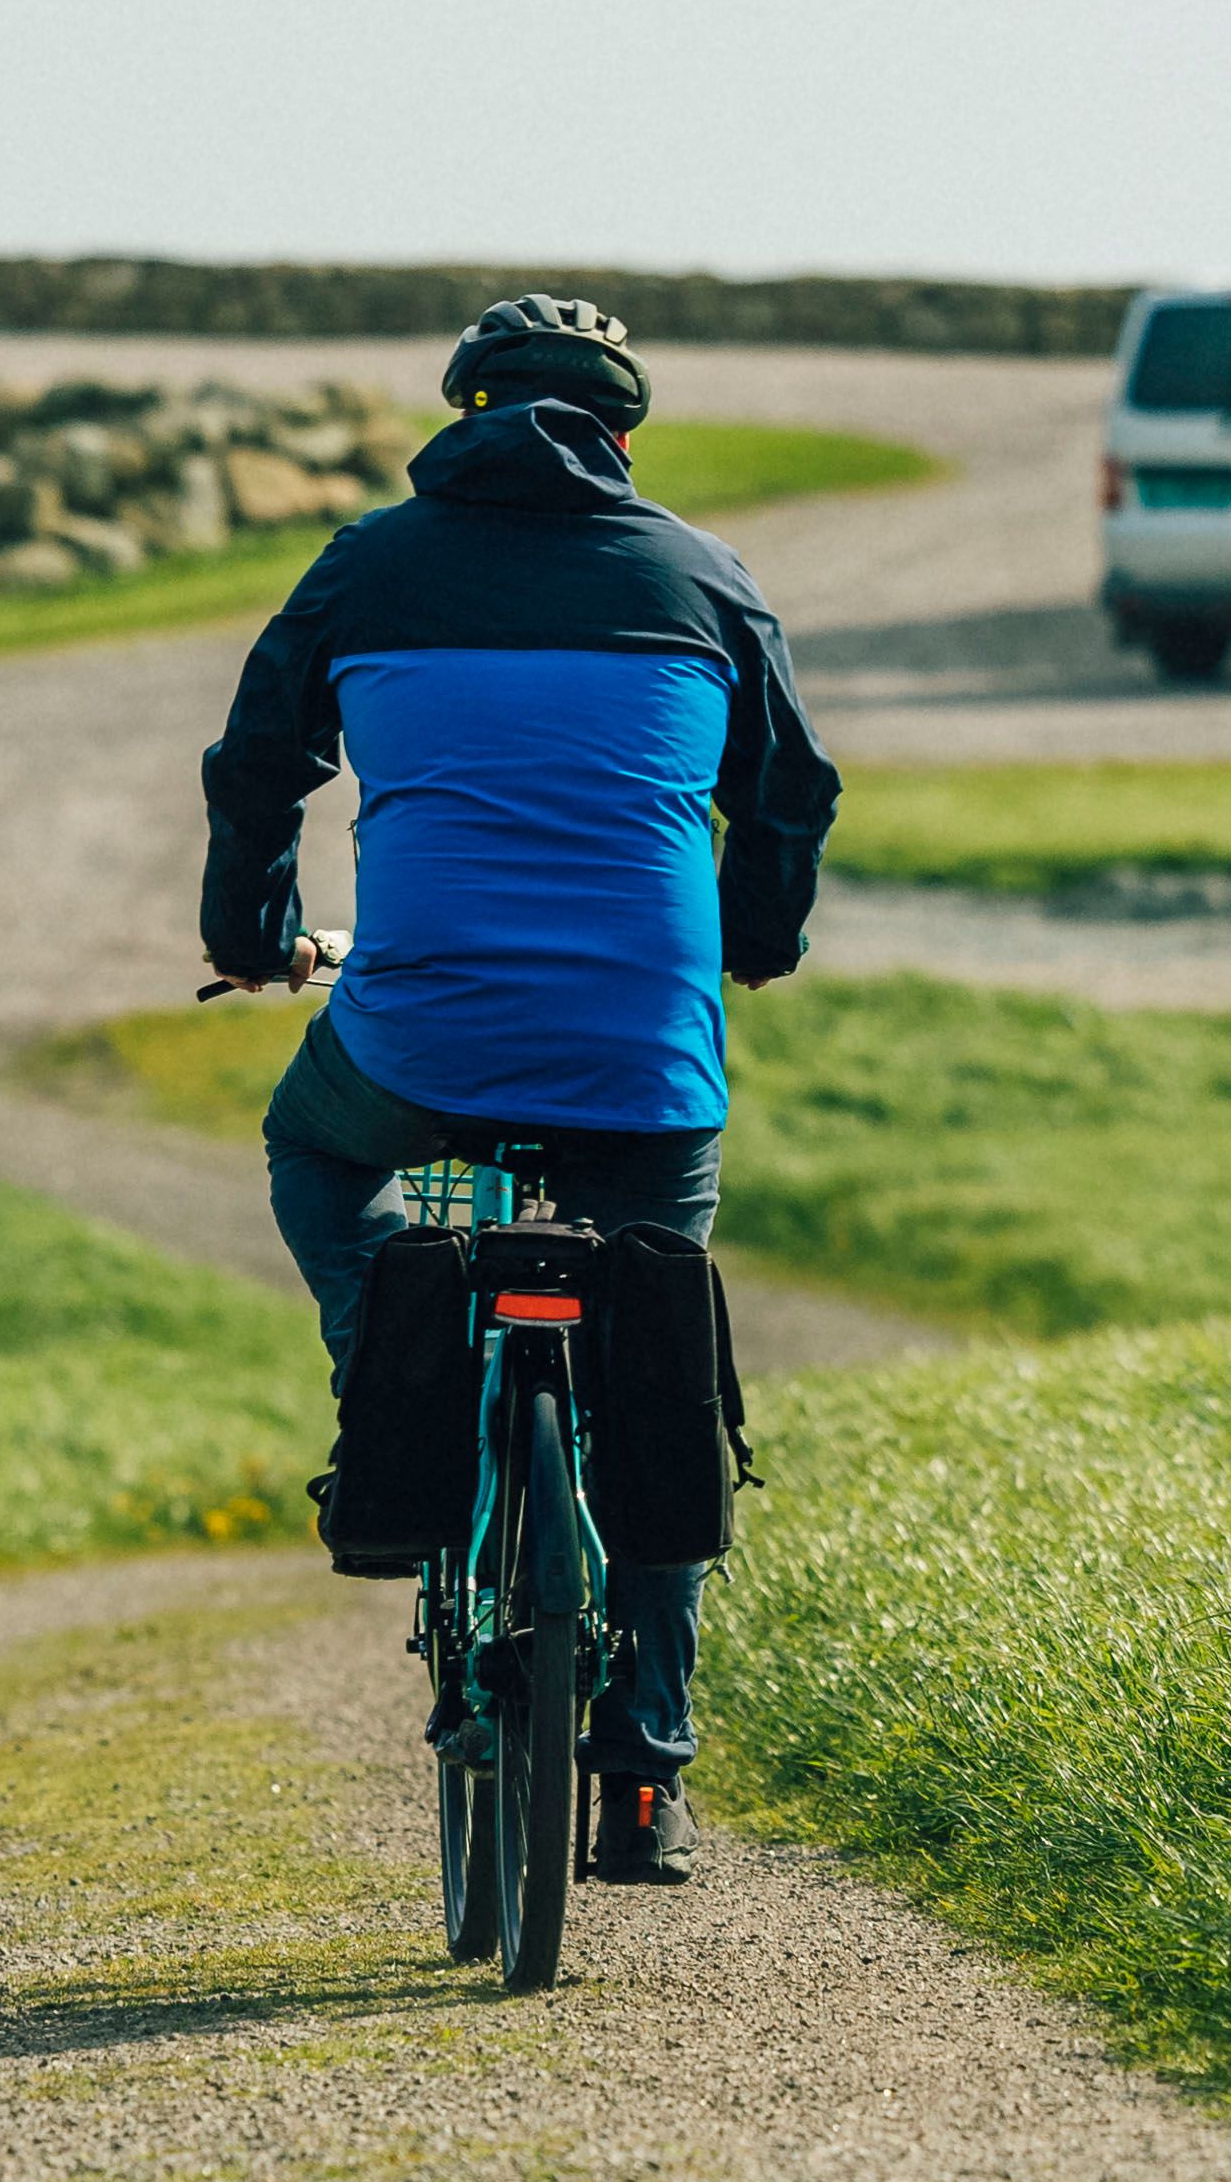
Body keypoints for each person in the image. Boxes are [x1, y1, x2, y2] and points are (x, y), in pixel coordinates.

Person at [196, 294, 834, 1883]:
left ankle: (387, 1372)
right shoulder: (700, 572)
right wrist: (753, 940)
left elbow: (257, 761)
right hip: (646, 1054)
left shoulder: (365, 562)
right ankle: (641, 1777)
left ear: (461, 412)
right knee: (659, 1368)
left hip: (413, 1044)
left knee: (310, 1150)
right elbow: (788, 791)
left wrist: (252, 931)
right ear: (622, 434)